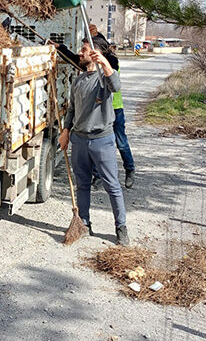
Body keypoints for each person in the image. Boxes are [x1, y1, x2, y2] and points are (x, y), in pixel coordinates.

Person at [59, 35, 129, 246]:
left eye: (84, 49)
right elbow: (71, 108)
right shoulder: (78, 80)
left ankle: (121, 227)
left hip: (102, 141)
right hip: (79, 140)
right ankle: (85, 223)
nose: (80, 52)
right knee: (82, 184)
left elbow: (115, 85)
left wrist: (105, 62)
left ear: (95, 53)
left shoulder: (104, 79)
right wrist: (65, 130)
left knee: (112, 185)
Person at [87, 24, 136, 189]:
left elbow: (109, 58)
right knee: (97, 142)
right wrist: (61, 47)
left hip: (115, 109)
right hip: (100, 111)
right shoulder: (91, 64)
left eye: (94, 49)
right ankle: (98, 176)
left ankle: (130, 169)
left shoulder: (112, 61)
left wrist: (99, 36)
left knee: (121, 142)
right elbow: (75, 58)